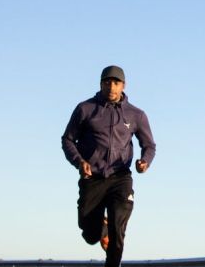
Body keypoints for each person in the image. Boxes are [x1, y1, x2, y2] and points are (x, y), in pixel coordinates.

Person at [61, 65, 156, 267]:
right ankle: (100, 229)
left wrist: (145, 161)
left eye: (116, 83)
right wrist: (79, 161)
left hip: (120, 178)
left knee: (118, 228)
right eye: (107, 82)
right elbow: (67, 140)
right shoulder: (85, 109)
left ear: (123, 85)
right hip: (92, 178)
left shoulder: (136, 115)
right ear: (101, 84)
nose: (111, 87)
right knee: (90, 234)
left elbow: (149, 145)